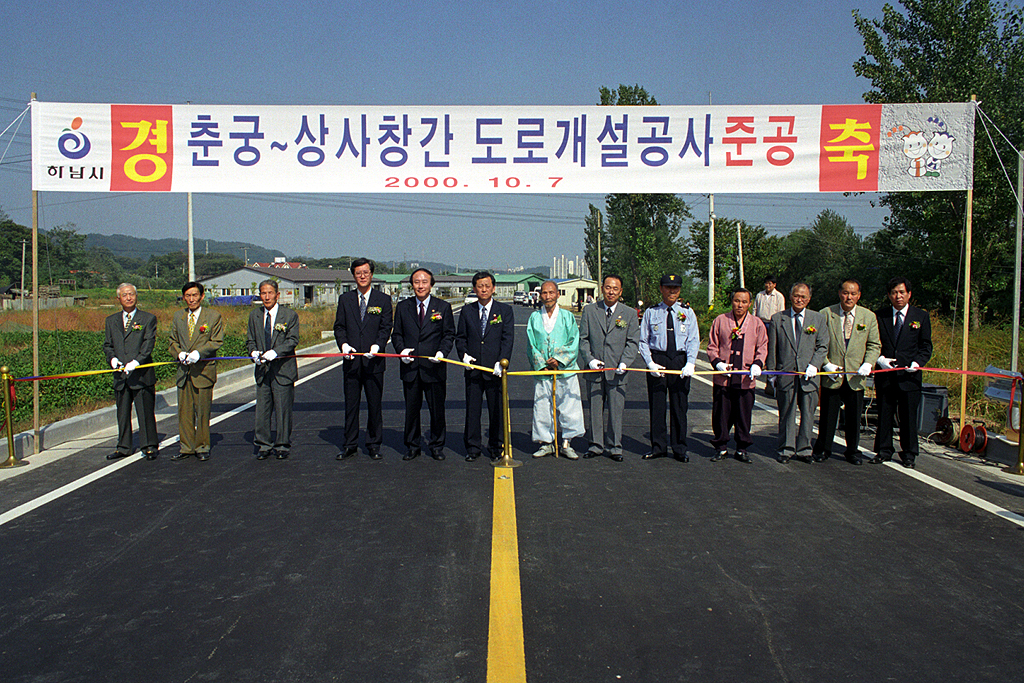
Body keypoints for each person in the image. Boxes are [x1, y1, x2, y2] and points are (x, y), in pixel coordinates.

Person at [812, 279, 881, 465]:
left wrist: (868, 363)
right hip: (832, 374)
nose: (848, 297)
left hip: (855, 375)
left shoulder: (868, 317)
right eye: (845, 293)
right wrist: (825, 364)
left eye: (853, 293)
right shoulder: (826, 314)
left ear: (859, 295)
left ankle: (852, 451)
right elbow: (817, 342)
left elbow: (874, 345)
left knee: (853, 417)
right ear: (839, 293)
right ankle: (823, 448)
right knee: (827, 415)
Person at [392, 268, 455, 461]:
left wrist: (442, 353)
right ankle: (412, 445)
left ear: (431, 284)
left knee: (437, 409)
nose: (420, 286)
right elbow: (397, 334)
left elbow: (448, 334)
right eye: (417, 282)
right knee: (412, 409)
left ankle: (437, 445)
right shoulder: (403, 307)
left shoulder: (443, 307)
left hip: (434, 368)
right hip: (410, 368)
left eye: (424, 282)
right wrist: (401, 350)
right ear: (412, 285)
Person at [334, 258, 393, 460]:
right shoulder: (345, 299)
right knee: (351, 405)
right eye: (358, 272)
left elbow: (386, 327)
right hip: (351, 362)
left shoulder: (383, 300)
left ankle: (374, 444)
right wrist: (343, 345)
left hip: (374, 362)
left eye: (366, 272)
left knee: (374, 405)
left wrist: (378, 345)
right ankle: (350, 444)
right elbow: (339, 327)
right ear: (353, 276)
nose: (362, 276)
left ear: (371, 274)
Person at [872, 276, 933, 468]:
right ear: (889, 295)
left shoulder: (920, 316)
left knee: (908, 416)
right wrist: (879, 360)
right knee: (884, 413)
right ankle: (883, 450)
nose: (898, 296)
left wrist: (917, 362)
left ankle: (909, 453)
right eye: (894, 293)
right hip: (886, 375)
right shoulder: (879, 316)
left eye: (901, 292)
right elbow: (874, 343)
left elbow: (926, 346)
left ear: (909, 294)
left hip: (910, 376)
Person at [638, 274, 699, 462]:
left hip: (679, 361)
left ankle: (680, 448)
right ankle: (658, 447)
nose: (672, 291)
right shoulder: (651, 312)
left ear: (679, 290)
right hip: (658, 358)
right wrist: (649, 363)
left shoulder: (687, 312)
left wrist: (690, 362)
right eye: (668, 287)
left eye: (675, 288)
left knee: (679, 406)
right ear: (661, 289)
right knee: (657, 406)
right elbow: (643, 340)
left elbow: (693, 340)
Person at [578, 274, 639, 462]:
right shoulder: (589, 310)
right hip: (595, 370)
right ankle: (596, 444)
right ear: (602, 288)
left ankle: (614, 446)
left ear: (620, 292)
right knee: (595, 409)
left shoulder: (629, 313)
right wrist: (589, 360)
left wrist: (625, 362)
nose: (611, 291)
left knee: (616, 410)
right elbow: (583, 339)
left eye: (615, 289)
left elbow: (633, 342)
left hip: (617, 371)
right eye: (607, 287)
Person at [455, 271, 514, 461]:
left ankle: (496, 447)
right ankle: (472, 447)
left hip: (495, 370)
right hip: (473, 369)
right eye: (480, 286)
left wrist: (502, 360)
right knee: (472, 410)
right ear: (474, 289)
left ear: (493, 288)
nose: (484, 289)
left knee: (496, 410)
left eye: (487, 285)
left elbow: (507, 339)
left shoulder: (504, 311)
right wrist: (463, 355)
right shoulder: (467, 311)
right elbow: (461, 337)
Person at [767, 283, 829, 464]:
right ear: (790, 296)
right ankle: (786, 448)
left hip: (809, 375)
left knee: (808, 413)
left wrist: (815, 365)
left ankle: (804, 449)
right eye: (796, 296)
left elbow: (823, 345)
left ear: (809, 299)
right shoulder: (778, 319)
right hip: (786, 373)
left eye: (803, 297)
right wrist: (771, 374)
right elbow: (773, 348)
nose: (799, 299)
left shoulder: (817, 319)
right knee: (786, 412)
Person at [706, 289, 768, 462]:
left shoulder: (757, 324)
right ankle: (721, 446)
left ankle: (742, 448)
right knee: (721, 413)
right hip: (723, 378)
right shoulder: (720, 320)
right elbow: (712, 346)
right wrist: (717, 362)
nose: (740, 305)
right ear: (731, 301)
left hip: (745, 378)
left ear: (750, 304)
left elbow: (762, 347)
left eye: (744, 302)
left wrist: (758, 364)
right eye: (736, 301)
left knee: (743, 413)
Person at [527, 280, 585, 459]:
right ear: (540, 295)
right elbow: (531, 343)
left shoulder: (568, 317)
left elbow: (574, 341)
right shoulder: (534, 318)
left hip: (565, 370)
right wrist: (542, 363)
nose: (548, 296)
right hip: (544, 370)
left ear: (558, 294)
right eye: (544, 293)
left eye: (551, 293)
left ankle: (567, 442)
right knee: (543, 406)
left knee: (569, 405)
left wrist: (559, 359)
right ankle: (546, 442)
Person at [102, 283, 158, 460]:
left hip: (140, 374)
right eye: (125, 295)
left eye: (131, 294)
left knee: (145, 412)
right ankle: (124, 446)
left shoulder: (147, 319)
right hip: (120, 375)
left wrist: (137, 361)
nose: (128, 298)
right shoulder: (111, 320)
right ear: (118, 298)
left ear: (136, 296)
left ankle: (149, 445)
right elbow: (108, 345)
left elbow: (148, 344)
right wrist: (112, 359)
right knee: (122, 412)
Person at [168, 281, 224, 461]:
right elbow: (172, 341)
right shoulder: (178, 316)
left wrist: (198, 354)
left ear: (201, 296)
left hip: (203, 371)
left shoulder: (213, 316)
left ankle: (202, 446)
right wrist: (179, 354)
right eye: (188, 296)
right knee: (184, 412)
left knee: (202, 411)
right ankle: (186, 447)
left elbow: (216, 341)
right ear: (183, 297)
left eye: (194, 295)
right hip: (184, 372)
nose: (191, 299)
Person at [246, 279, 300, 460]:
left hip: (282, 370)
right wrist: (253, 351)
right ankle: (263, 444)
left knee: (283, 410)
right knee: (262, 410)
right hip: (262, 370)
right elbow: (250, 339)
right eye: (263, 293)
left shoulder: (289, 316)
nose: (266, 297)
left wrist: (275, 352)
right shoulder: (254, 316)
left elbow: (292, 340)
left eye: (270, 293)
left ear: (277, 295)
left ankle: (282, 444)